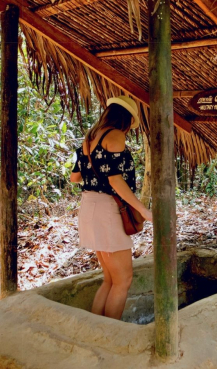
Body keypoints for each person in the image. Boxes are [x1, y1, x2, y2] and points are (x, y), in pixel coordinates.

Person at [70, 95, 153, 320]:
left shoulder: (90, 138)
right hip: (106, 209)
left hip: (88, 206)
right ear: (126, 119)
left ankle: (96, 331)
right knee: (123, 280)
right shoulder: (115, 135)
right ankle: (110, 333)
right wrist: (143, 210)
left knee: (110, 280)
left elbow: (75, 177)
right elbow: (116, 181)